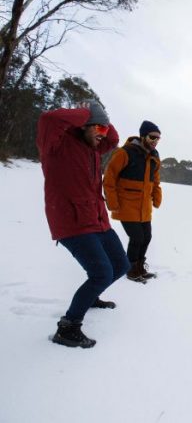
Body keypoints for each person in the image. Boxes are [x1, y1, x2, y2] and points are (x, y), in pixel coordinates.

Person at [37, 100, 130, 349]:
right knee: (101, 273)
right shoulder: (57, 146)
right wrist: (88, 112)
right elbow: (49, 119)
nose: (103, 136)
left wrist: (101, 121)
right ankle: (67, 328)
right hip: (72, 222)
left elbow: (114, 139)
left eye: (104, 130)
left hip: (97, 219)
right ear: (84, 124)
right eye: (98, 129)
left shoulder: (93, 148)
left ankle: (90, 297)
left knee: (121, 265)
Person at [103, 120, 162, 283]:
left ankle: (139, 267)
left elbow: (156, 181)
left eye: (158, 139)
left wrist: (157, 197)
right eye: (152, 137)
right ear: (143, 136)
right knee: (137, 237)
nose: (155, 141)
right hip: (126, 205)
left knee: (147, 236)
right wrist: (113, 203)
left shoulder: (154, 157)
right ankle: (131, 270)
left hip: (144, 207)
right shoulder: (125, 152)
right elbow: (109, 178)